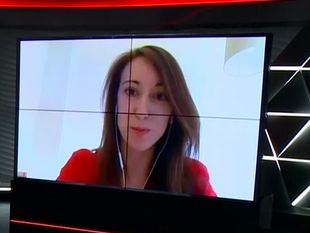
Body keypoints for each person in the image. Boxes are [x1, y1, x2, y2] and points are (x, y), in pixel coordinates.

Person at [57, 45, 216, 197]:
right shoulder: (82, 167)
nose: (142, 112)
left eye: (160, 96)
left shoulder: (193, 178)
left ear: (173, 110)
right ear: (115, 100)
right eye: (131, 91)